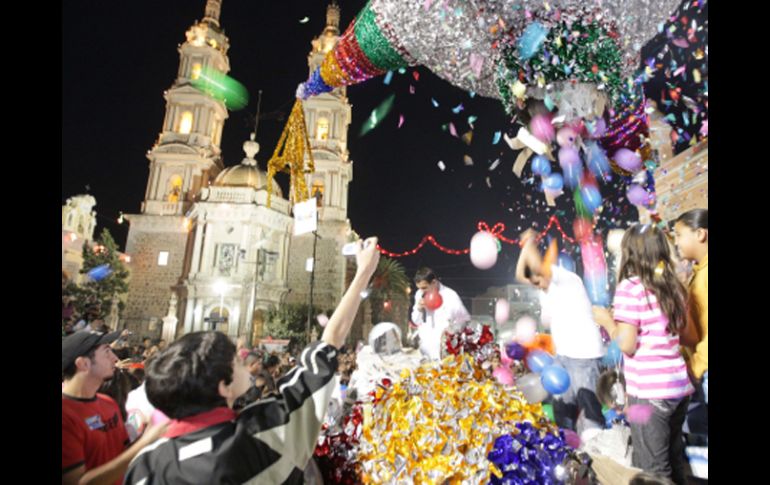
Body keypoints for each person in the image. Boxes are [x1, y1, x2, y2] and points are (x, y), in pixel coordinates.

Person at [124, 237, 381, 484]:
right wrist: (364, 273)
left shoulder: (144, 466)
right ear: (223, 387)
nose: (245, 361)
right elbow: (330, 342)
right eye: (235, 360)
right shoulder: (261, 433)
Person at [592, 224, 694, 484]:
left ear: (630, 253)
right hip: (677, 390)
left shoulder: (630, 287)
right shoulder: (673, 285)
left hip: (650, 395)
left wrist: (607, 322)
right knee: (674, 461)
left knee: (653, 473)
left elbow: (626, 344)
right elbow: (688, 336)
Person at [515, 229, 605, 433]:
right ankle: (569, 452)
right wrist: (527, 246)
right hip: (564, 355)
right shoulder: (545, 285)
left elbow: (537, 269)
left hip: (585, 356)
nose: (536, 283)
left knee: (590, 412)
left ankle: (599, 456)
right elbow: (521, 274)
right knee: (563, 412)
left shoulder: (566, 279)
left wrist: (530, 244)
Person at [62, 330, 167, 485]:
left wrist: (151, 431)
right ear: (83, 363)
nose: (115, 358)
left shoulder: (108, 403)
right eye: (107, 352)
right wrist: (146, 441)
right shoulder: (65, 415)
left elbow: (121, 453)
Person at [673, 209, 708, 443]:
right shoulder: (698, 272)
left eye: (678, 235)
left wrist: (696, 366)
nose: (676, 242)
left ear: (701, 234)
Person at [410, 267, 471, 360]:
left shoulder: (450, 295)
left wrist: (452, 331)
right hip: (425, 350)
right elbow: (416, 321)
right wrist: (418, 309)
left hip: (445, 351)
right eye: (419, 288)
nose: (422, 291)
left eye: (424, 287)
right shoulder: (419, 294)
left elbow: (464, 318)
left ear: (434, 282)